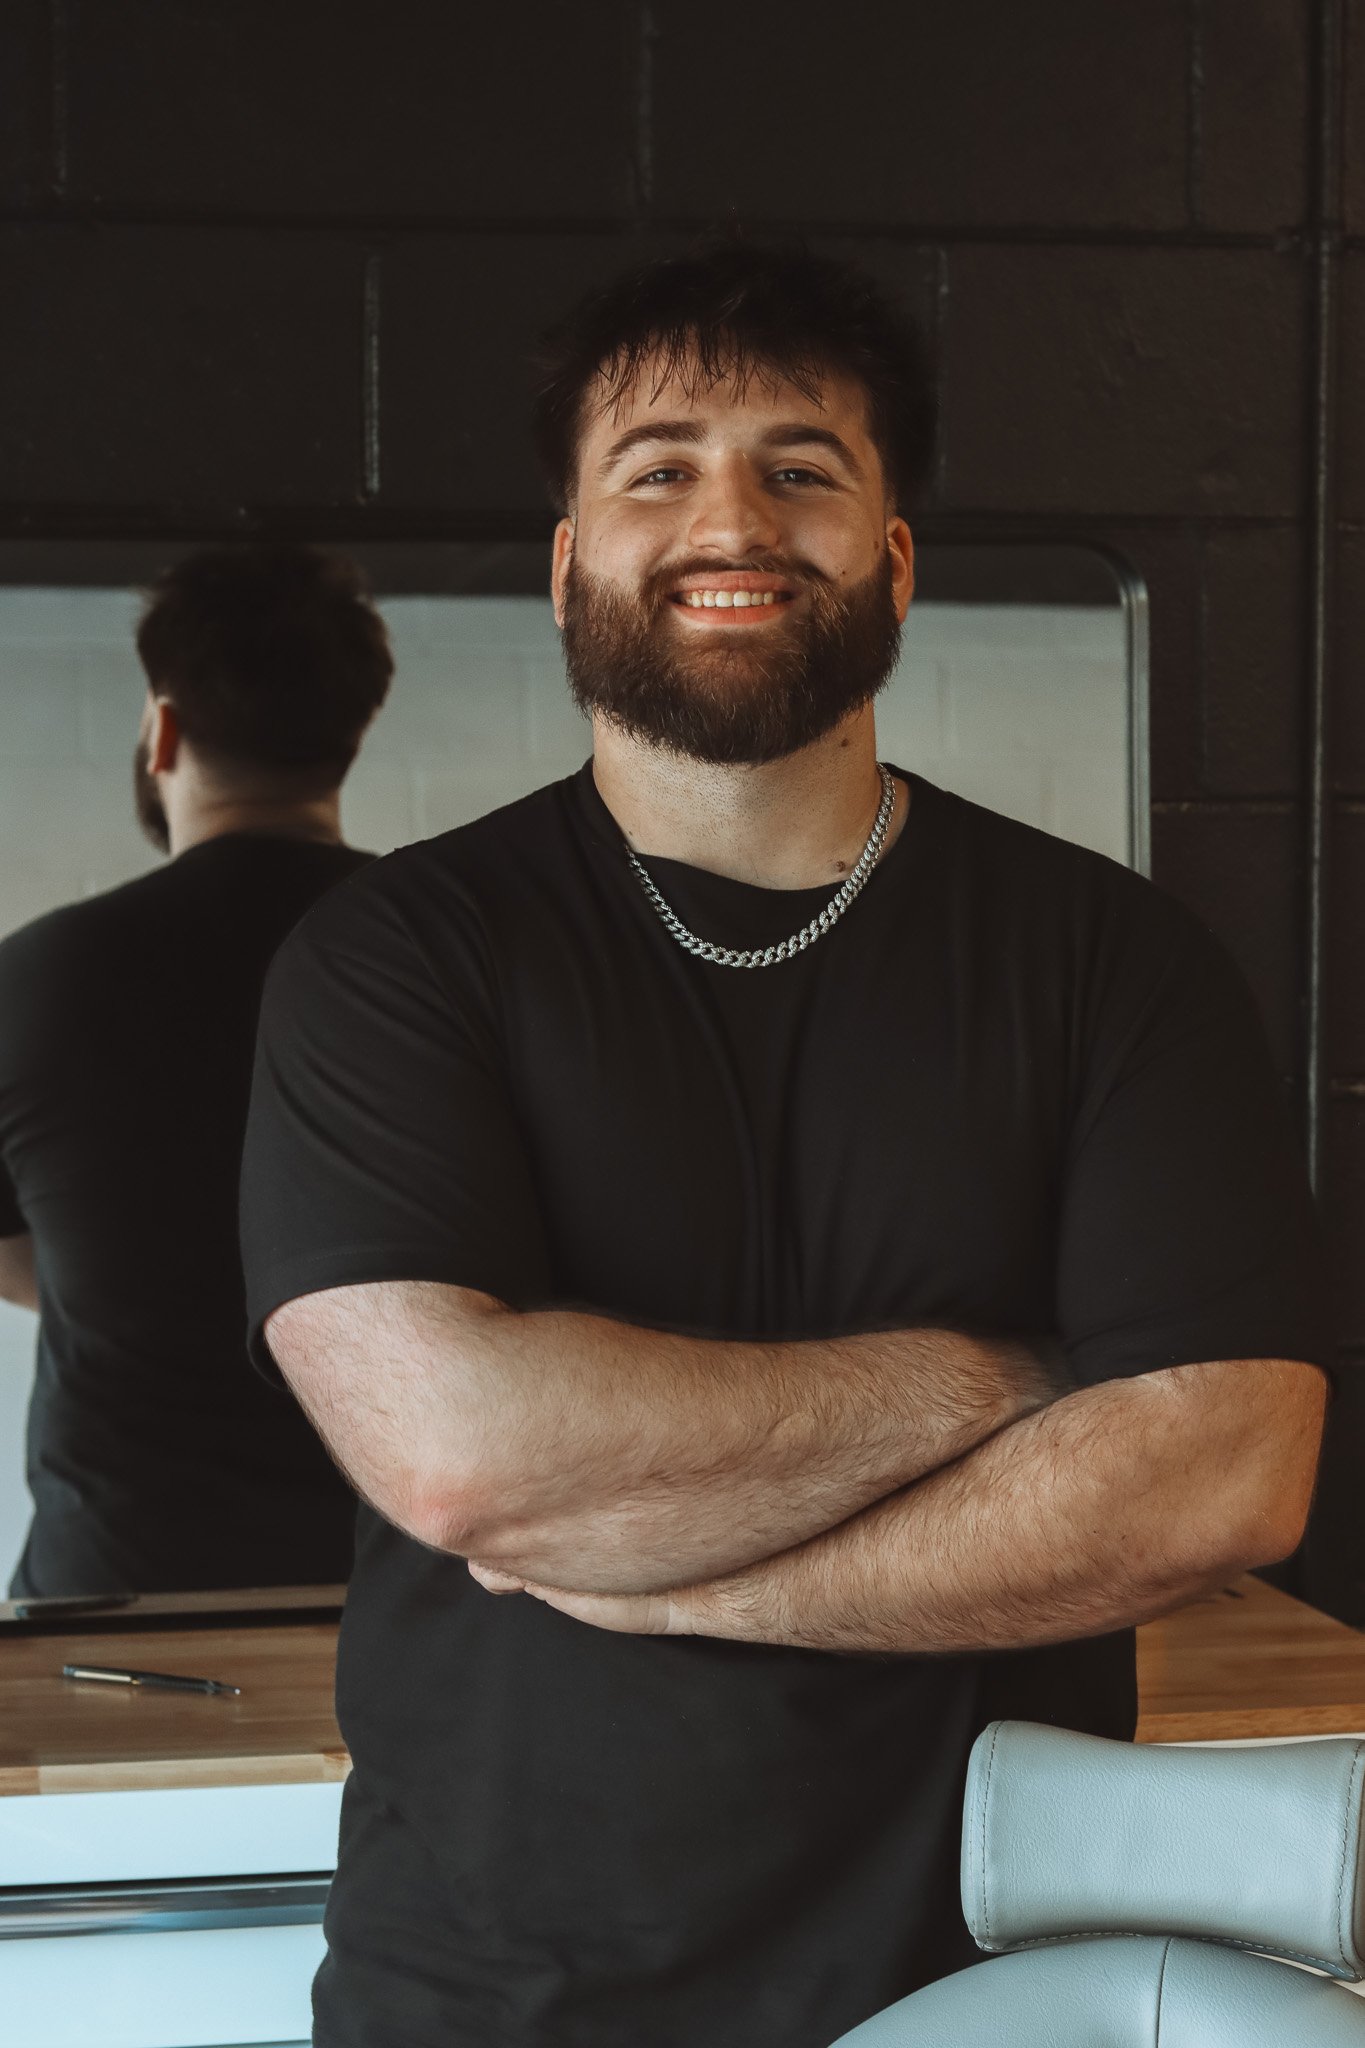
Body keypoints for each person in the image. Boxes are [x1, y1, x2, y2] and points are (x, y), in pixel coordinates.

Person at [240, 247, 1331, 2048]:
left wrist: (695, 1585)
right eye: (654, 467)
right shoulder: (399, 957)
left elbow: (1223, 1473)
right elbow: (459, 1459)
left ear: (892, 561)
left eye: (802, 467)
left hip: (996, 1989)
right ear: (569, 563)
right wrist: (1009, 1377)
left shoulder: (1113, 960)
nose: (728, 516)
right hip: (497, 1999)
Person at [0, 544, 393, 1598]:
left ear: (162, 729)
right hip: (393, 1598)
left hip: (113, 1604)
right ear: (348, 737)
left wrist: (131, 1276)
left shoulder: (35, 974)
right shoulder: (449, 954)